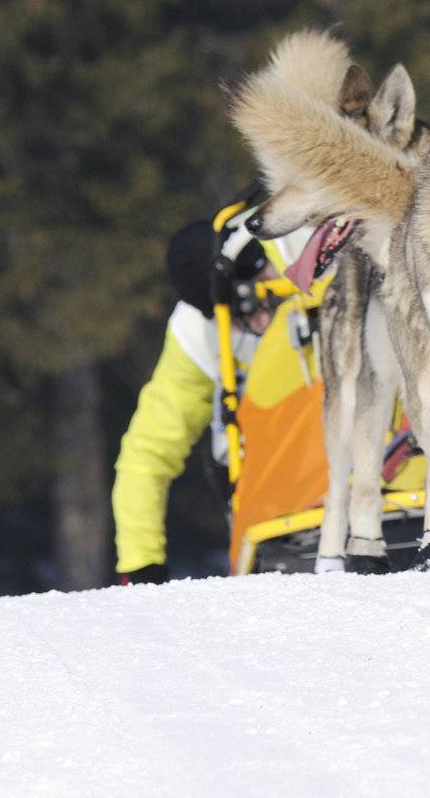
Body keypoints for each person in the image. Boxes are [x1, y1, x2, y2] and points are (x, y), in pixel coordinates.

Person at [112, 215, 308, 584]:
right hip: (277, 466)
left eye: (266, 299)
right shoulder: (196, 335)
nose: (263, 323)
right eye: (243, 316)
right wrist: (141, 564)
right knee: (223, 439)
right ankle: (263, 541)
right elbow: (147, 454)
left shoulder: (309, 245)